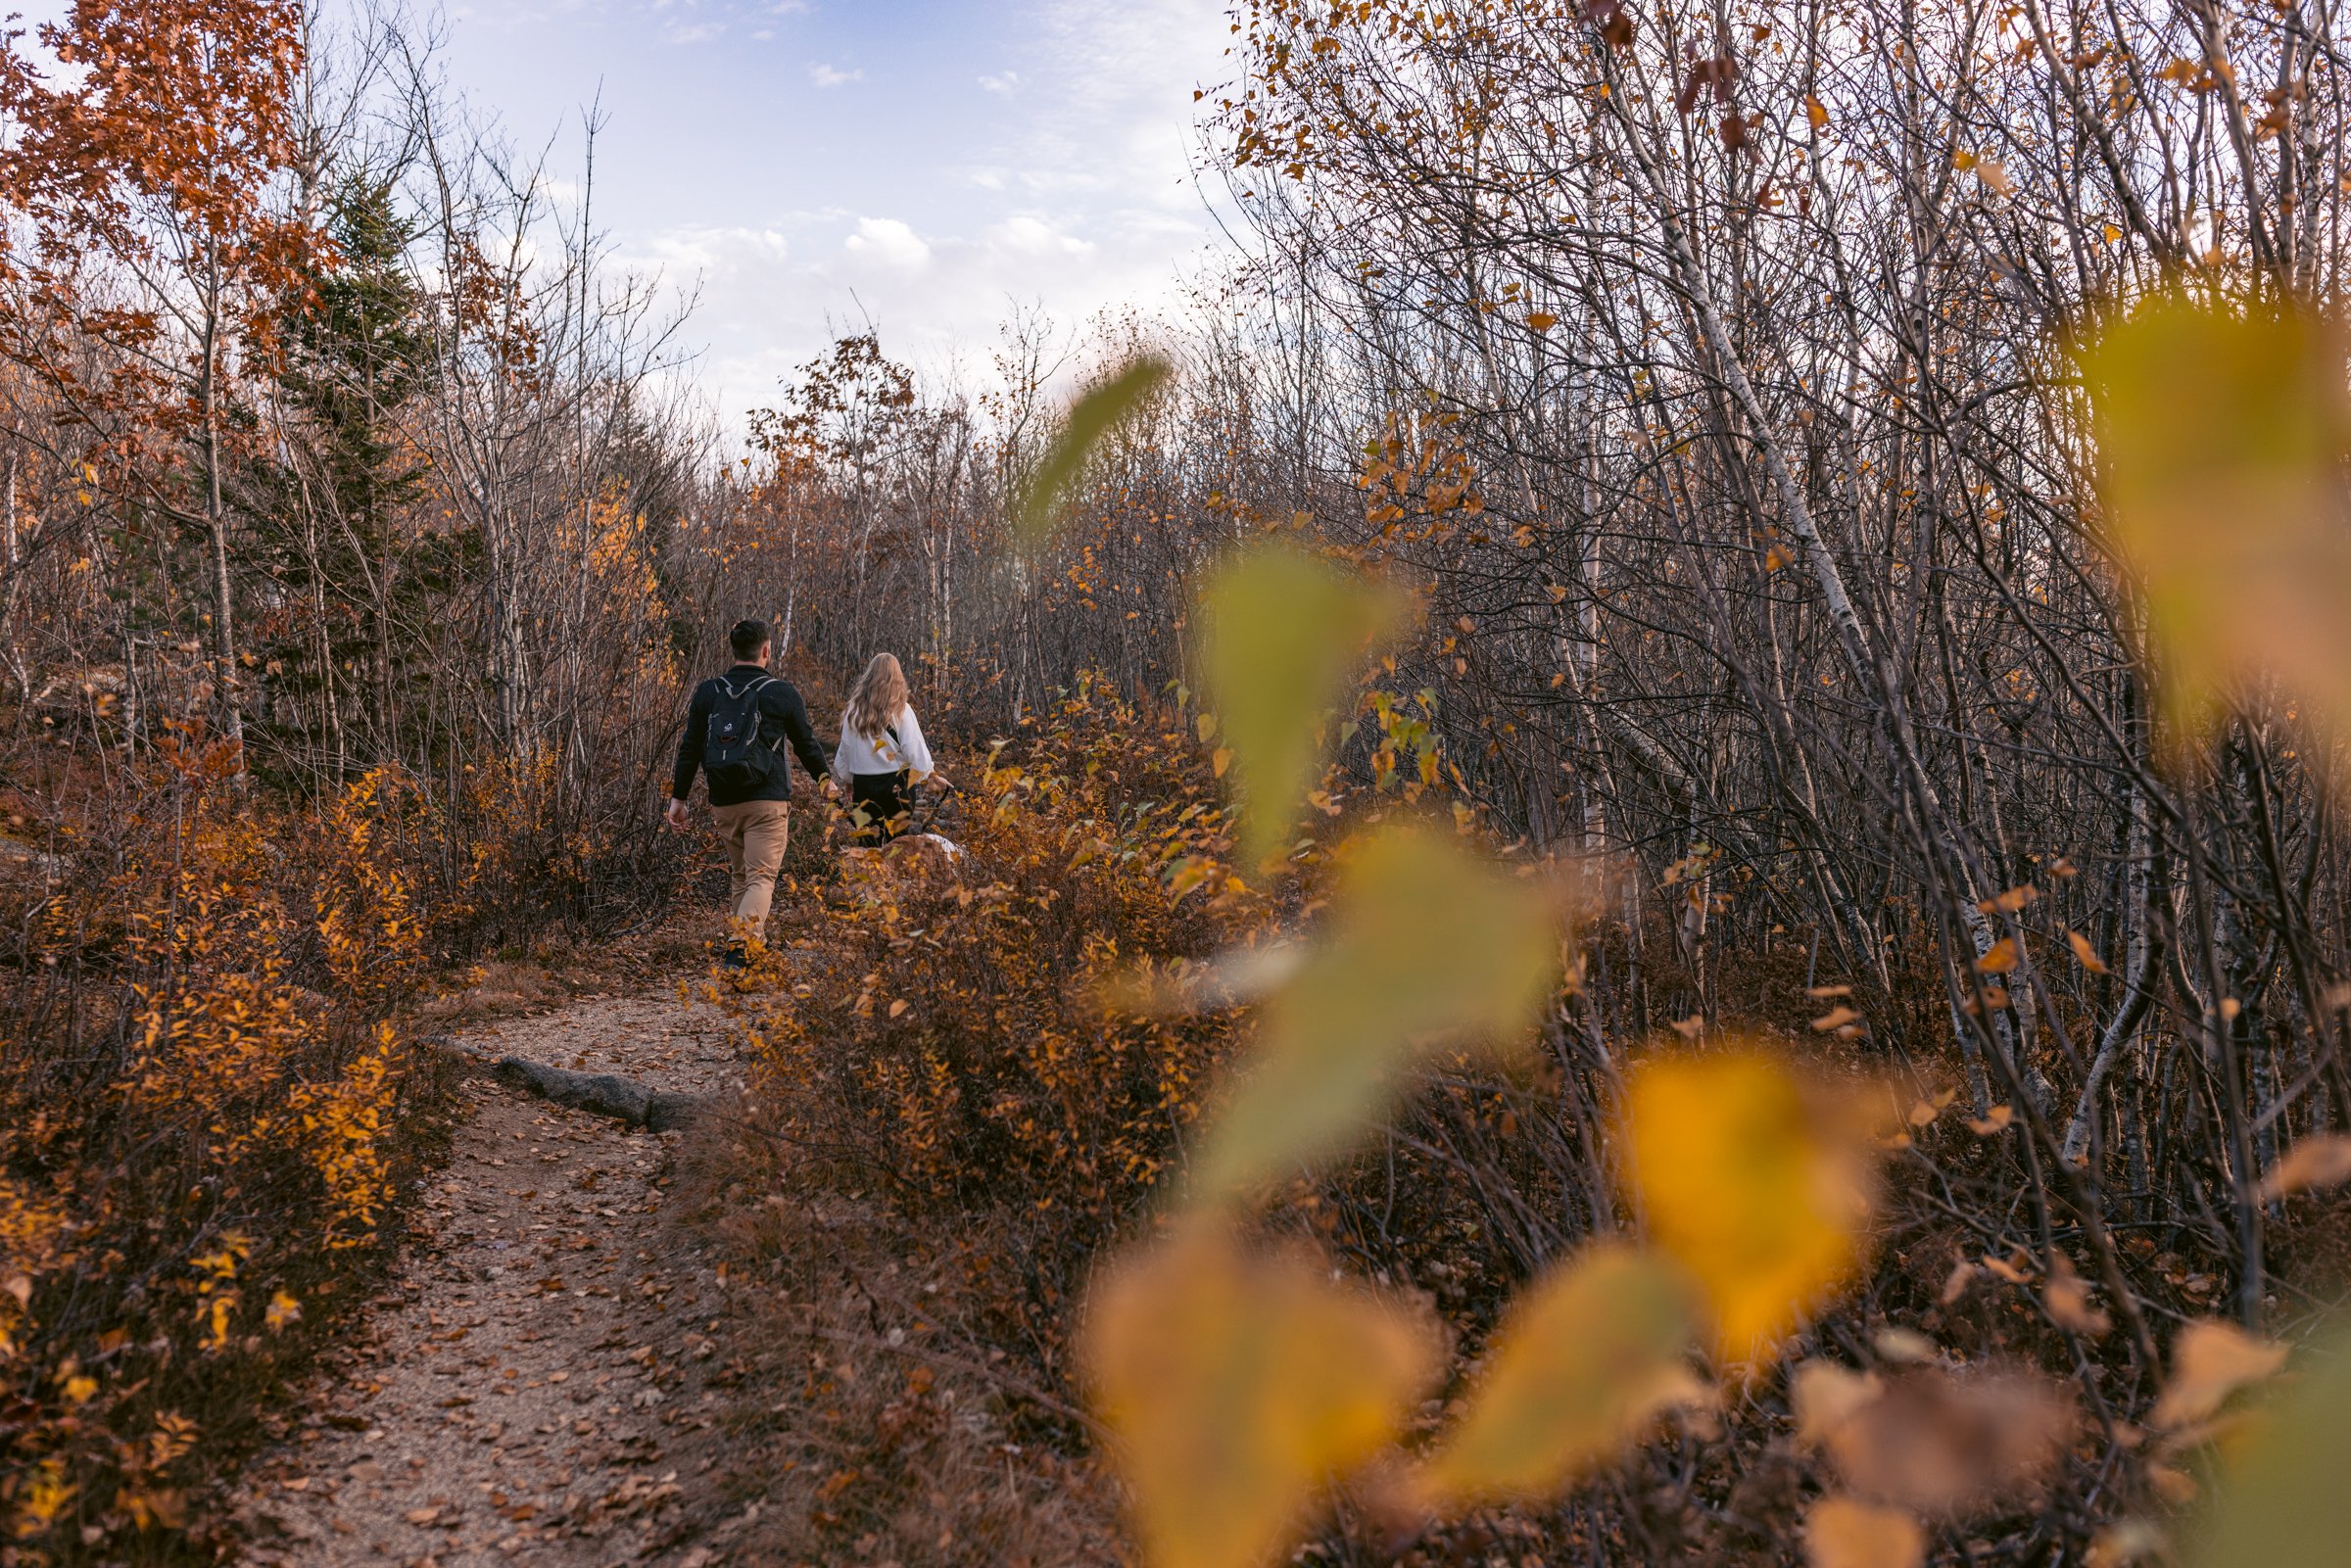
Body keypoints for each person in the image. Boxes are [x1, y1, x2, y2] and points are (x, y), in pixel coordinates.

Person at [666, 619, 832, 965]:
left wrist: (678, 799)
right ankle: (740, 950)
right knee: (762, 877)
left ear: (734, 650)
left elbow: (690, 747)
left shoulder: (709, 691)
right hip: (766, 801)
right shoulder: (781, 692)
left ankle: (754, 948)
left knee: (742, 875)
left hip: (724, 802)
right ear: (766, 651)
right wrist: (823, 780)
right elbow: (806, 743)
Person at [830, 652, 937, 843]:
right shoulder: (902, 710)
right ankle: (893, 873)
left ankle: (870, 873)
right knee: (897, 845)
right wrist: (928, 774)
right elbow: (916, 753)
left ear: (869, 677)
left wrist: (848, 780)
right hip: (897, 787)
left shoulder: (853, 711)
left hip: (864, 786)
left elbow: (845, 752)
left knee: (868, 846)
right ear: (897, 679)